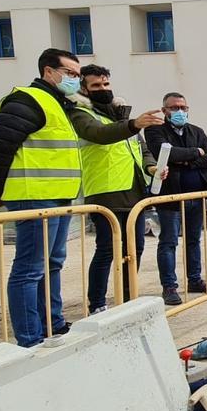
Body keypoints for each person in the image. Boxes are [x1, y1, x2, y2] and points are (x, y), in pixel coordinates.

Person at [0, 48, 164, 347]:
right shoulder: (28, 100)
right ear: (48, 71)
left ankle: (54, 325)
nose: (74, 80)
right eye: (71, 74)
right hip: (34, 196)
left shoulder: (60, 105)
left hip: (60, 196)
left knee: (52, 263)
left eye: (78, 75)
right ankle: (31, 339)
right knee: (30, 269)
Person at [70, 64, 167, 313]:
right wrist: (134, 124)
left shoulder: (120, 116)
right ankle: (98, 304)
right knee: (106, 250)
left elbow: (141, 149)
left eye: (106, 84)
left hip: (134, 192)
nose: (103, 89)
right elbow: (99, 134)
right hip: (105, 192)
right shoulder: (81, 114)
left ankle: (127, 298)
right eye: (96, 85)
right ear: (84, 88)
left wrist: (153, 168)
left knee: (134, 249)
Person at [144, 92, 207, 306]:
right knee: (169, 242)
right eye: (174, 108)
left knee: (193, 240)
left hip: (196, 197)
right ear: (164, 110)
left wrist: (187, 161)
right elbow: (164, 153)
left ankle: (195, 280)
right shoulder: (154, 130)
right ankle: (169, 287)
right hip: (170, 197)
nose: (179, 111)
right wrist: (195, 153)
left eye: (183, 108)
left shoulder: (196, 131)